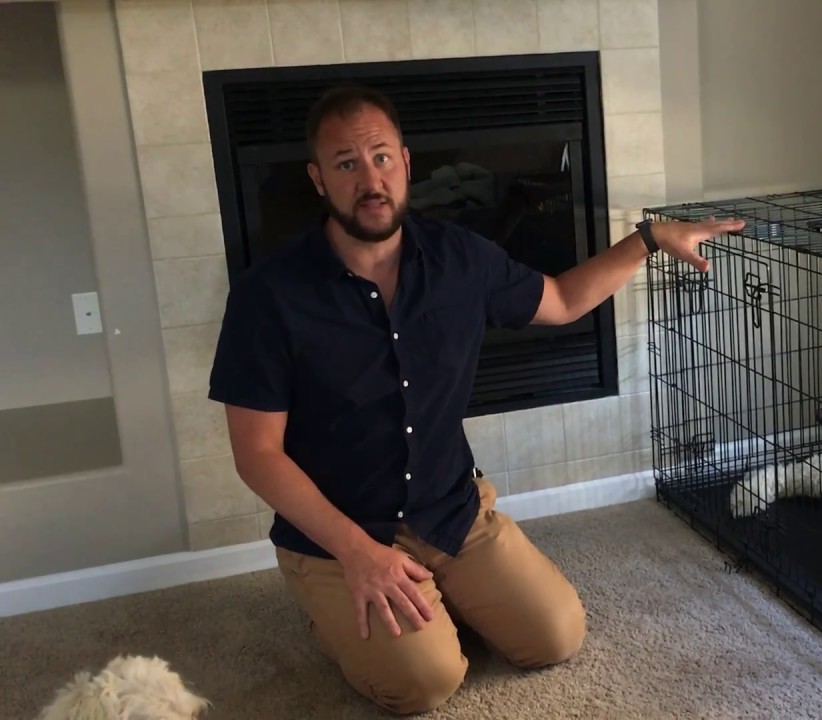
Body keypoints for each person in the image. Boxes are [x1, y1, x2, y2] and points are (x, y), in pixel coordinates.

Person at [207, 83, 743, 715]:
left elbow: (562, 300)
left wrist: (648, 239)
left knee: (555, 636)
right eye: (346, 164)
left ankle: (435, 595)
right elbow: (258, 455)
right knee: (425, 682)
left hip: (450, 511)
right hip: (338, 536)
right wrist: (358, 553)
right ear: (318, 179)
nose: (370, 180)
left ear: (406, 163)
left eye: (381, 157)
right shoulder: (269, 295)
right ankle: (335, 615)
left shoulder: (458, 258)